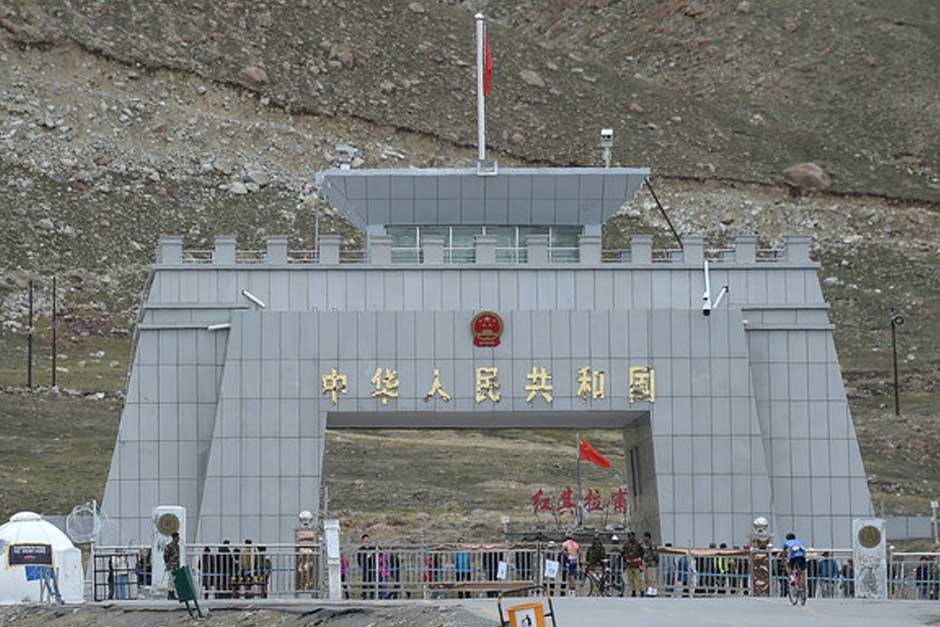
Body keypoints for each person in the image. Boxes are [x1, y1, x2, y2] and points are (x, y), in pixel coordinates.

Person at [620, 531, 644, 597]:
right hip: (629, 564)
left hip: (636, 564)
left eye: (631, 536)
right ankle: (633, 591)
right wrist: (625, 558)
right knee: (630, 579)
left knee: (639, 578)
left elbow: (642, 552)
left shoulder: (638, 544)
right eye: (629, 536)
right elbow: (622, 552)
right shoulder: (626, 544)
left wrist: (638, 559)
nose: (630, 537)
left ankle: (641, 591)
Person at [357, 534, 376, 599]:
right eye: (365, 540)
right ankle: (364, 594)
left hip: (372, 567)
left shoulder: (372, 548)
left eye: (367, 539)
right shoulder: (361, 549)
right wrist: (361, 565)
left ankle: (372, 594)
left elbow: (380, 551)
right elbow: (358, 558)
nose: (366, 541)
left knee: (372, 581)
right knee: (365, 581)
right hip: (365, 567)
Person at [163, 532, 181, 600]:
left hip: (176, 565)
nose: (178, 539)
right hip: (171, 565)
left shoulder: (177, 546)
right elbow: (165, 556)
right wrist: (168, 563)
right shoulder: (169, 546)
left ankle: (173, 593)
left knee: (174, 580)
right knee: (171, 579)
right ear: (174, 538)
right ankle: (170, 593)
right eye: (177, 537)